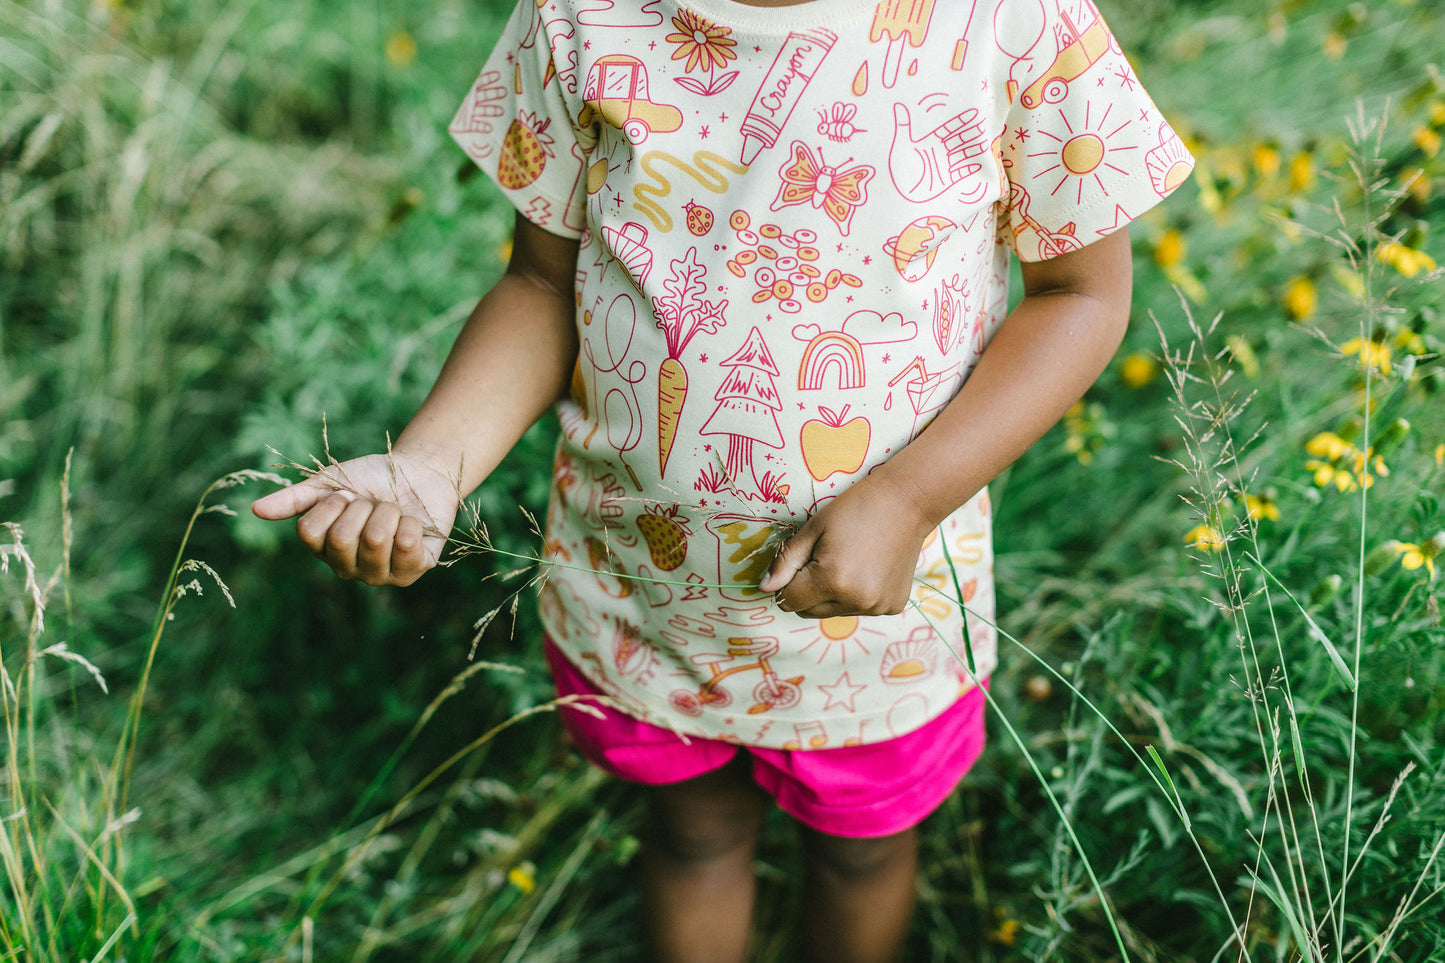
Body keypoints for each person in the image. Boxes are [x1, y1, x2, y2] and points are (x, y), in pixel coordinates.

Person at [253, 0, 1192, 958]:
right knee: (690, 835)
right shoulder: (582, 17)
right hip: (644, 586)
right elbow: (542, 283)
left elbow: (1082, 296)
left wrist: (908, 499)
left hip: (871, 621)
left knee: (861, 855)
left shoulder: (1010, 20)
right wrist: (430, 462)